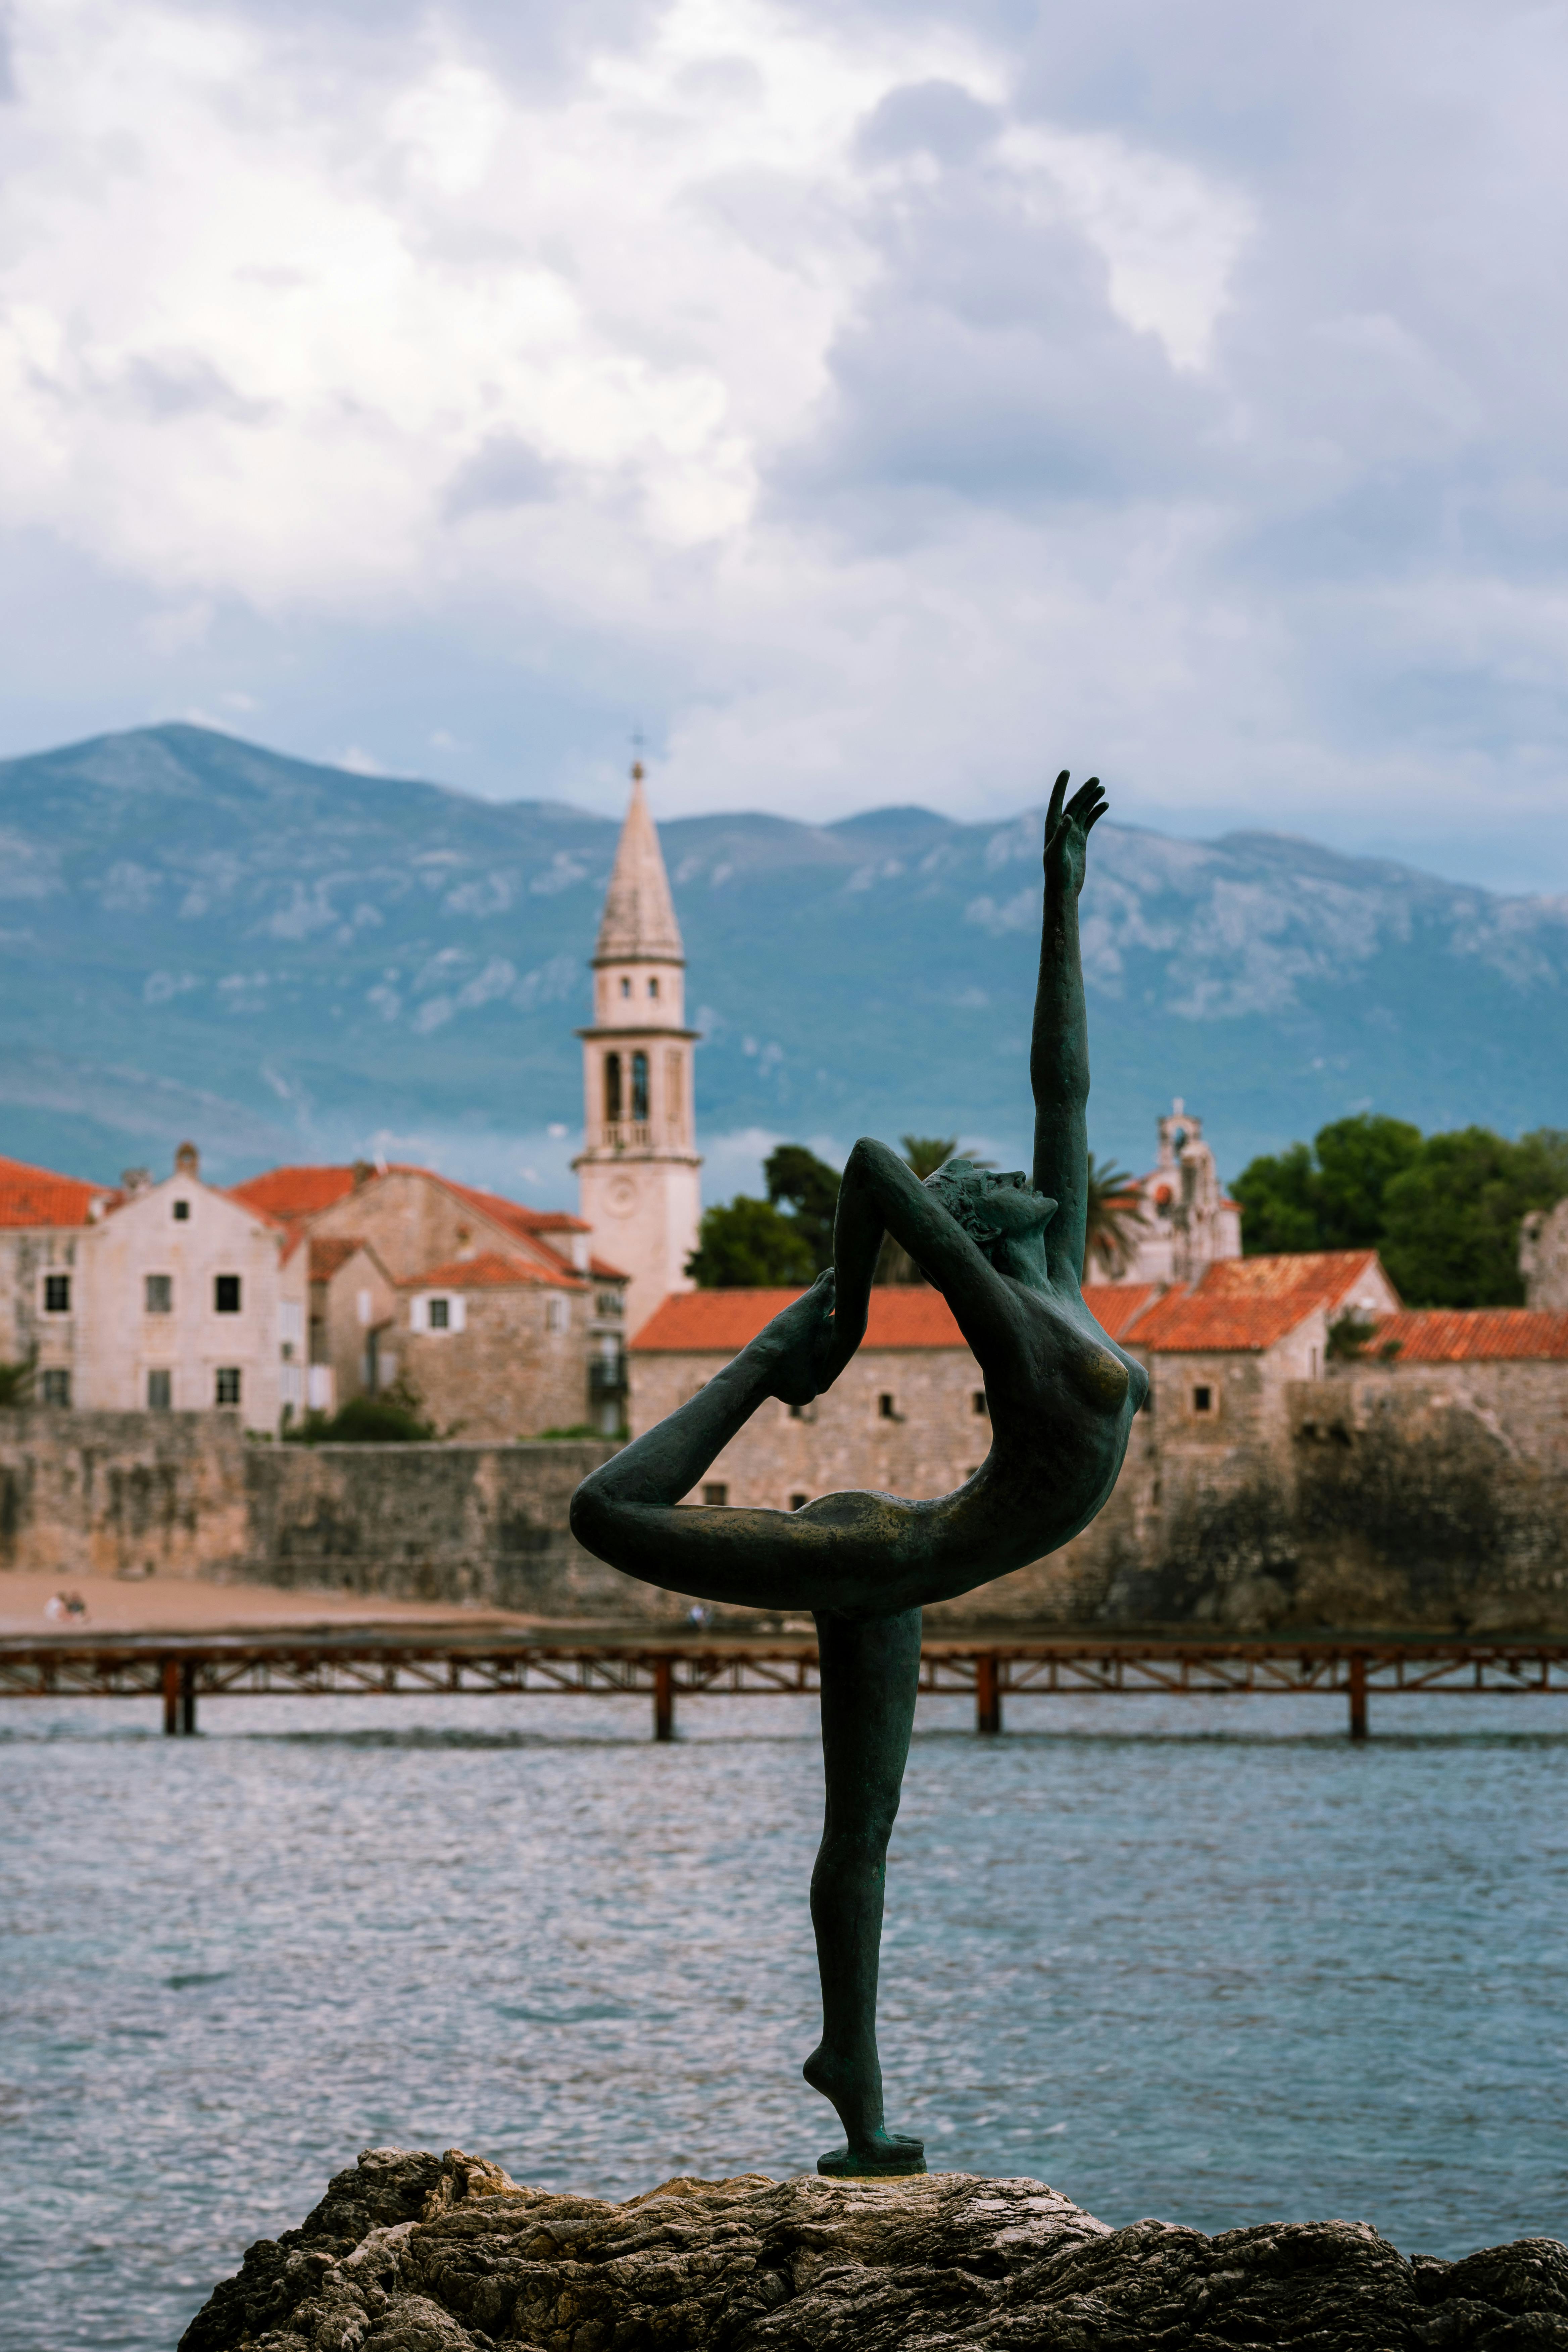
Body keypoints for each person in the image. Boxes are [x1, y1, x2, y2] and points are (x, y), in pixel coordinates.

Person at [571, 772, 1148, 2177]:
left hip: (904, 1562)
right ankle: (763, 1356)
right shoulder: (1011, 1322)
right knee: (603, 1514)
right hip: (874, 1556)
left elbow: (1059, 1083)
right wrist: (833, 1314)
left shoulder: (1056, 1275)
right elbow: (880, 1166)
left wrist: (1060, 897)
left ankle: (853, 2078)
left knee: (863, 1837)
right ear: (973, 1225)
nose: (1022, 1171)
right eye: (993, 1179)